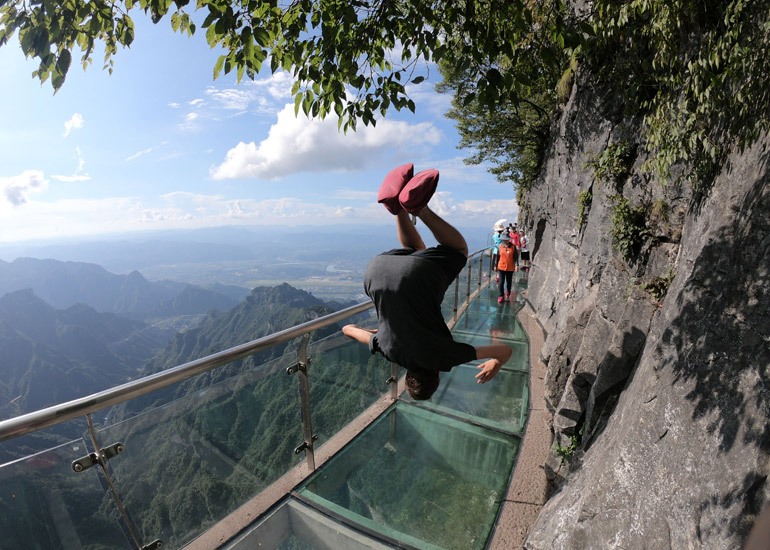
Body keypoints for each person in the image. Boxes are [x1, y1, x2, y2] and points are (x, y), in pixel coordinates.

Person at [343, 165, 513, 401]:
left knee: (458, 251)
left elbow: (505, 351)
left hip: (414, 277)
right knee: (416, 252)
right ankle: (397, 209)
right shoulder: (389, 350)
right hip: (375, 271)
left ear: (437, 377)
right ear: (407, 376)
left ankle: (419, 209)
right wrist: (380, 332)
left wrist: (495, 363)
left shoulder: (445, 358)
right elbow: (347, 330)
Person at [496, 233, 516, 303]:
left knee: (509, 281)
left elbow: (515, 257)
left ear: (508, 240)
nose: (504, 241)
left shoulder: (513, 247)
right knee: (501, 282)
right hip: (501, 266)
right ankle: (501, 295)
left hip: (510, 267)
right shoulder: (500, 246)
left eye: (506, 240)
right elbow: (498, 257)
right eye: (503, 240)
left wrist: (517, 265)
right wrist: (495, 265)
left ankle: (508, 293)